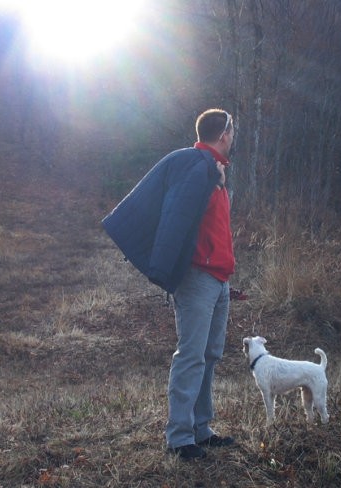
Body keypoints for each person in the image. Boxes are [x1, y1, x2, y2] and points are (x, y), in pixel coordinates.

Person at [102, 108, 238, 460]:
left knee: (209, 356)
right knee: (191, 356)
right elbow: (177, 212)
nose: (233, 136)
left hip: (219, 279)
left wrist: (216, 180)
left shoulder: (213, 172)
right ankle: (179, 438)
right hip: (197, 279)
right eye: (232, 131)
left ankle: (201, 429)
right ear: (224, 134)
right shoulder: (197, 168)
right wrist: (212, 180)